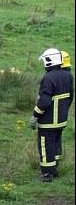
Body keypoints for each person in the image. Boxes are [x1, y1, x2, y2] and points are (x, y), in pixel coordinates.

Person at [30, 48, 74, 182]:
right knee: (55, 144)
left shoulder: (48, 78)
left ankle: (47, 174)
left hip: (48, 120)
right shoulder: (68, 75)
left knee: (45, 145)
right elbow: (70, 97)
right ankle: (54, 170)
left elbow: (44, 101)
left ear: (49, 61)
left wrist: (35, 116)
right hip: (61, 119)